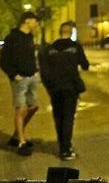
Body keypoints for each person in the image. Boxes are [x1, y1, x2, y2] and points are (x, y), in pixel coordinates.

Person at [39, 21, 90, 160]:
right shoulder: (75, 47)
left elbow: (44, 71)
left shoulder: (49, 49)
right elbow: (85, 65)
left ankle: (62, 145)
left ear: (60, 32)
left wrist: (49, 86)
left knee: (58, 117)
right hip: (70, 87)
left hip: (55, 88)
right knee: (68, 117)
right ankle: (66, 149)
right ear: (71, 32)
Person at [0, 11, 41, 156]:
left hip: (32, 77)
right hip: (19, 79)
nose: (37, 24)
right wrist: (13, 75)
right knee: (21, 109)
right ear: (27, 21)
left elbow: (29, 57)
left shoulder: (30, 37)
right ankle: (21, 142)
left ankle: (17, 135)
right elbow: (3, 60)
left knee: (34, 107)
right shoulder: (12, 38)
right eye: (35, 21)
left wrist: (36, 71)